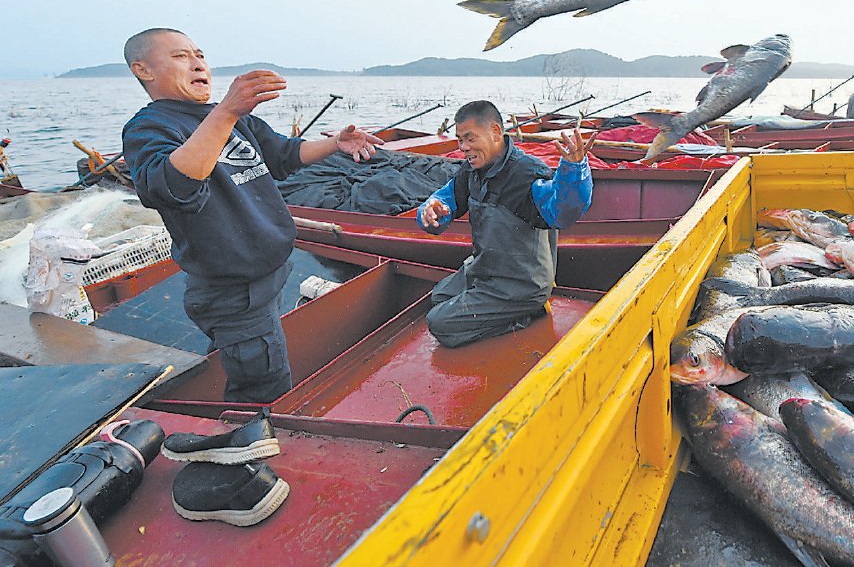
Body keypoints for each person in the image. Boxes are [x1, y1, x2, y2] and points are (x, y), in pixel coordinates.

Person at [121, 28, 383, 402]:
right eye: (181, 56)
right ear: (143, 70)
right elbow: (172, 186)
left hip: (271, 271)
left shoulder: (228, 118)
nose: (197, 64)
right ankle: (245, 446)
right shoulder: (150, 128)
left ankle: (229, 364)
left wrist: (334, 144)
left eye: (200, 54)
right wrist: (227, 111)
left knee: (250, 351)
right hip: (232, 289)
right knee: (265, 387)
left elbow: (283, 154)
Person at [417, 101, 595, 347]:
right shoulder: (472, 171)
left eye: (470, 138)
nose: (463, 148)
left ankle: (524, 315)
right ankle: (497, 307)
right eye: (459, 140)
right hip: (486, 268)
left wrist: (575, 170)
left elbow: (562, 212)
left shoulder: (527, 174)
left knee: (439, 323)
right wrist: (431, 211)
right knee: (439, 297)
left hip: (521, 283)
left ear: (496, 132)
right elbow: (445, 199)